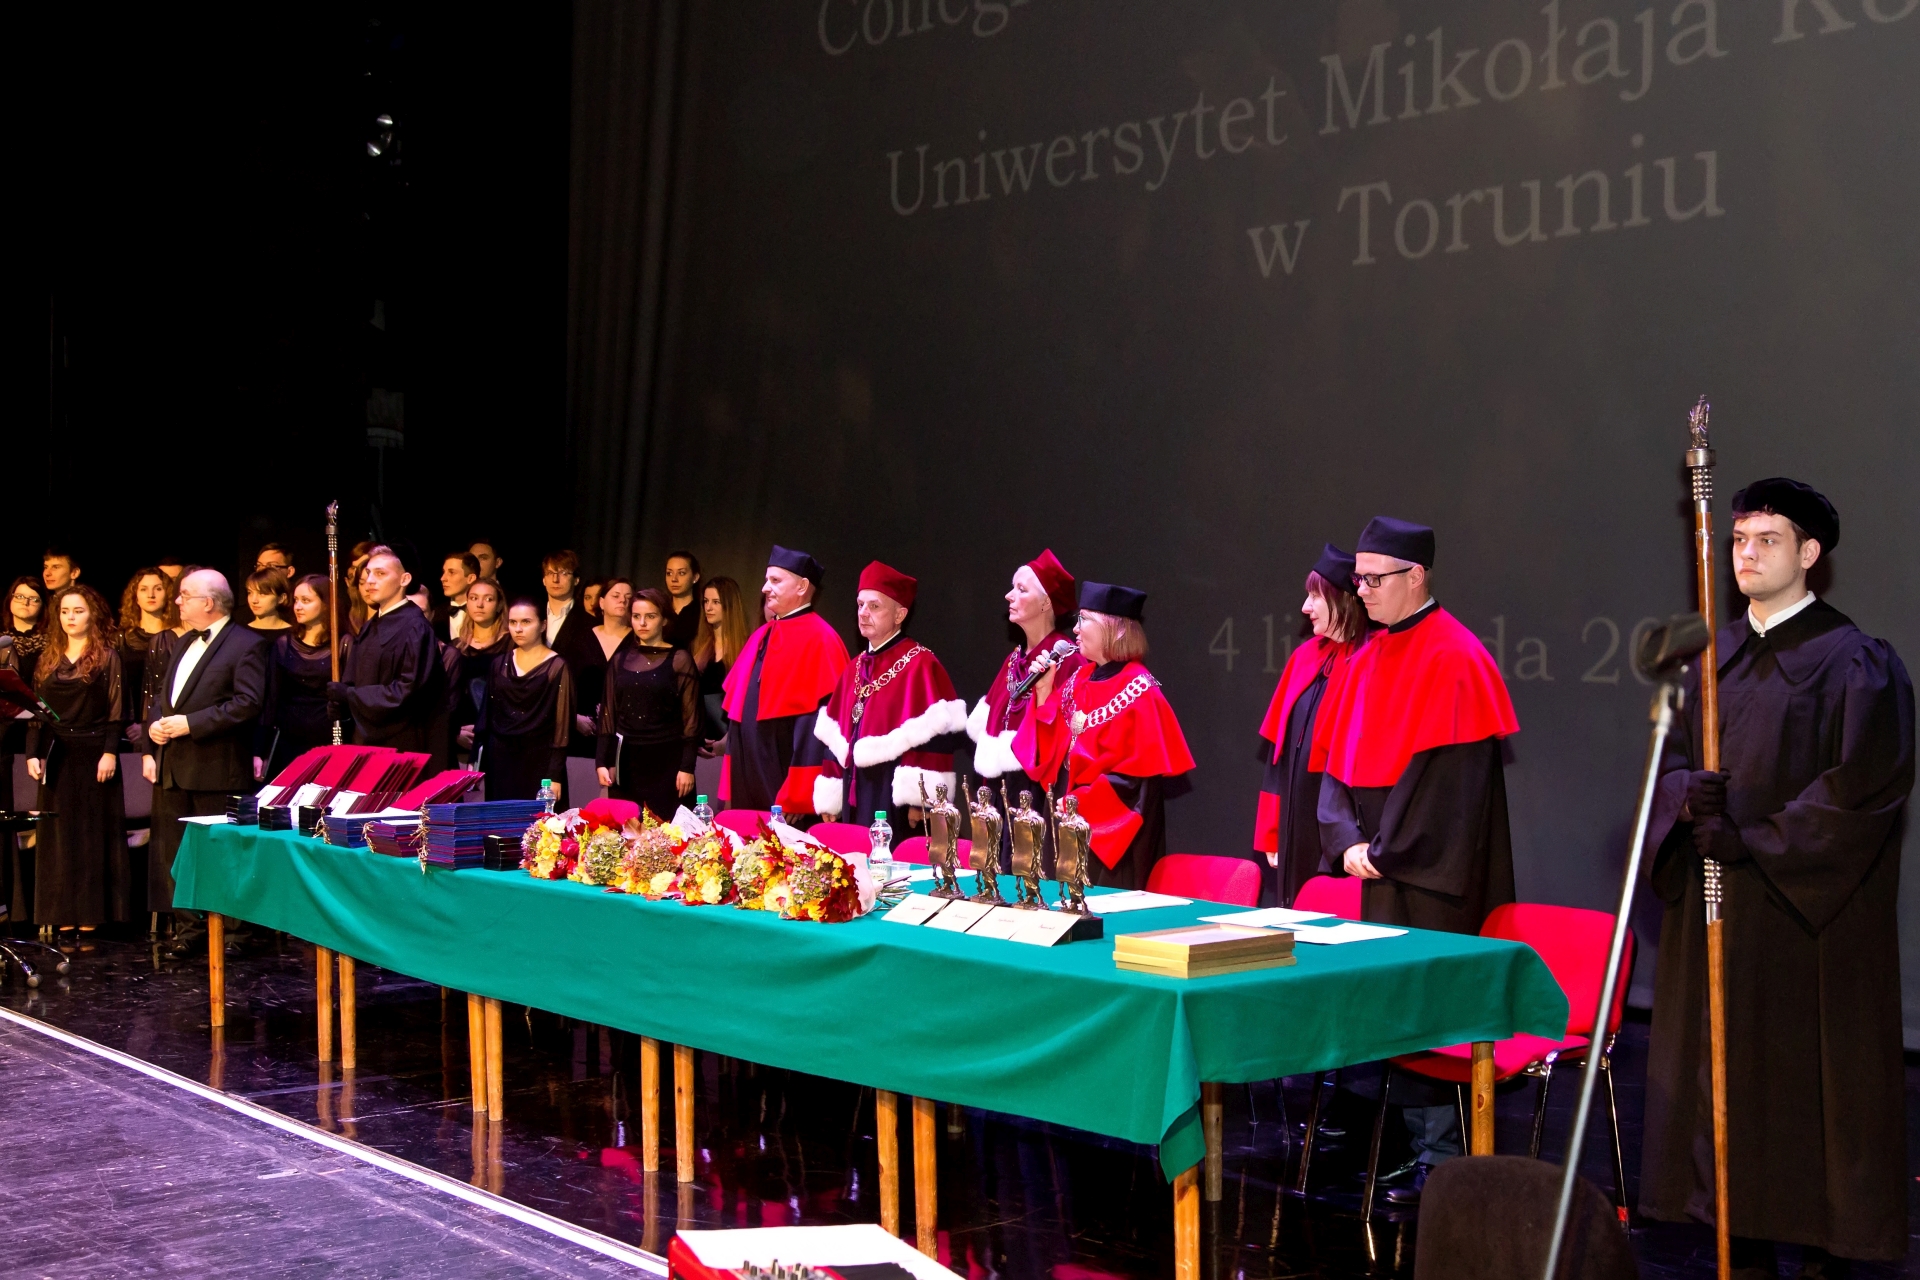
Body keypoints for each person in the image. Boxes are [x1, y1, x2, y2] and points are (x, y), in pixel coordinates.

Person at [1638, 479, 1912, 1275]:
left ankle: (1820, 1257)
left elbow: (1863, 787)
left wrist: (1754, 839)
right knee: (1725, 1090)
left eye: (1768, 540)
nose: (1747, 555)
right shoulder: (1711, 658)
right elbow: (1670, 763)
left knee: (1804, 1094)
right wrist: (1685, 799)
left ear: (1810, 553)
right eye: (1738, 540)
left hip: (1805, 925)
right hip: (1721, 914)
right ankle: (1741, 1246)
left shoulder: (1855, 662)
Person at [1313, 516, 1519, 1198]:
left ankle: (1442, 1155)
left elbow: (1447, 785)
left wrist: (1388, 849)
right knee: (1388, 1001)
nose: (1362, 592)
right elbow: (1334, 768)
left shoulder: (1457, 657)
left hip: (1432, 872)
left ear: (1417, 576)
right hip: (1378, 865)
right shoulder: (1364, 657)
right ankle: (1402, 1144)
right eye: (1359, 580)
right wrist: (1346, 842)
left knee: (1430, 1004)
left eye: (1375, 580)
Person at [1019, 580, 1194, 890]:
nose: (1075, 629)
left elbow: (1136, 785)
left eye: (1084, 619)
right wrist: (1044, 690)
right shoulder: (1079, 678)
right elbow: (1050, 753)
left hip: (1109, 837)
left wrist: (1082, 803)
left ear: (1116, 629)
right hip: (1065, 819)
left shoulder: (1140, 691)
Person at [143, 570, 268, 919]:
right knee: (176, 854)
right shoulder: (183, 641)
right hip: (174, 766)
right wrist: (155, 724)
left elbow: (247, 703)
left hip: (216, 769)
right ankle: (189, 930)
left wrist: (190, 724)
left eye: (185, 595)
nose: (177, 601)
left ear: (209, 602)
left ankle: (231, 932)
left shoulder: (247, 644)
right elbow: (164, 695)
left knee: (221, 855)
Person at [813, 562, 967, 831]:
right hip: (853, 790)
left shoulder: (921, 664)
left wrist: (921, 800)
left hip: (893, 794)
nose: (863, 613)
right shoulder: (854, 667)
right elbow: (835, 738)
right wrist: (831, 795)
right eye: (860, 604)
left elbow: (937, 739)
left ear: (900, 615)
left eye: (874, 606)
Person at [1253, 545, 1365, 907]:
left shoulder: (1369, 662)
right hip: (1295, 824)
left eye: (1316, 596)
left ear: (1344, 599)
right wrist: (1271, 830)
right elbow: (1278, 754)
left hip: (1343, 829)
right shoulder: (1304, 658)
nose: (1305, 607)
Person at [24, 585, 129, 934]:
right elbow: (37, 711)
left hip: (95, 752)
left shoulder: (107, 657)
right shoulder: (48, 657)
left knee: (90, 834)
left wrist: (110, 752)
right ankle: (61, 912)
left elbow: (116, 712)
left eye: (78, 611)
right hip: (57, 753)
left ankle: (91, 913)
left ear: (92, 615)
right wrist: (33, 753)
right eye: (65, 611)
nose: (70, 617)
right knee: (58, 835)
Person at [722, 547, 849, 816]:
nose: (765, 588)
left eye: (775, 580)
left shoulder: (822, 639)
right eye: (766, 580)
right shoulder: (761, 635)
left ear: (802, 587)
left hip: (783, 772)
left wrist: (801, 793)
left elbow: (820, 731)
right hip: (749, 769)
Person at [967, 549, 1087, 807]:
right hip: (1000, 789)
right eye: (1013, 588)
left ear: (1045, 603)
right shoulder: (1013, 660)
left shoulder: (1069, 660)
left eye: (1021, 589)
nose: (1009, 595)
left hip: (1037, 790)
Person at [328, 547, 444, 753]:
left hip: (402, 741)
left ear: (404, 579)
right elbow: (355, 679)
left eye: (380, 573)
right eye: (368, 574)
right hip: (366, 738)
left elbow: (408, 691)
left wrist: (351, 695)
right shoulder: (370, 626)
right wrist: (343, 705)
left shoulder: (415, 628)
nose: (370, 581)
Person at [597, 588, 700, 820]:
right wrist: (603, 760)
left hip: (667, 759)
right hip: (628, 761)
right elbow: (608, 712)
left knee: (670, 831)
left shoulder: (679, 659)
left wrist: (687, 766)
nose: (642, 623)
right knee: (627, 831)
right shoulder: (620, 659)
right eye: (636, 616)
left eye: (650, 616)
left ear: (664, 619)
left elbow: (691, 718)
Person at [476, 600, 574, 802]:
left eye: (526, 622)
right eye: (513, 622)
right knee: (501, 818)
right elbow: (487, 714)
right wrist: (476, 760)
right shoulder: (499, 664)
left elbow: (562, 726)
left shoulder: (557, 667)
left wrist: (554, 774)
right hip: (500, 759)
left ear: (543, 625)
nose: (518, 629)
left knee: (539, 820)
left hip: (539, 759)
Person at [256, 574, 339, 780]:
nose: (298, 607)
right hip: (289, 741)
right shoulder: (283, 644)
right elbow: (271, 699)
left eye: (306, 600)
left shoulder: (343, 644)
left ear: (326, 604)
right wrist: (260, 748)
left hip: (328, 739)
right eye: (296, 600)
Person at [116, 567, 181, 751]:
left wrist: (148, 726)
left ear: (168, 594)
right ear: (135, 596)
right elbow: (117, 688)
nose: (151, 594)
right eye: (144, 589)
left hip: (167, 728)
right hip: (128, 732)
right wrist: (131, 725)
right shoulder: (120, 639)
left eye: (158, 589)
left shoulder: (178, 637)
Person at [451, 579, 510, 760]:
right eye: (474, 598)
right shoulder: (455, 647)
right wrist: (454, 731)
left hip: (501, 736)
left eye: (488, 599)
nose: (480, 604)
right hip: (462, 736)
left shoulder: (512, 645)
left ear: (499, 605)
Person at [693, 576, 749, 747]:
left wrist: (728, 739)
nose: (708, 607)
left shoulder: (745, 649)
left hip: (730, 740)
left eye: (715, 602)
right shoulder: (699, 648)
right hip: (699, 738)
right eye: (706, 601)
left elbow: (745, 703)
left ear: (729, 605)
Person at [664, 551, 703, 649]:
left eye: (681, 573)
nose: (674, 579)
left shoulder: (702, 613)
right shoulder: (660, 610)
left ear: (695, 577)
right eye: (669, 573)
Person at [440, 552, 480, 642]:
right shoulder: (437, 615)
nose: (443, 578)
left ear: (470, 578)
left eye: (451, 572)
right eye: (444, 572)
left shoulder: (484, 612)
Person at [244, 567, 294, 632]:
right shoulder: (240, 632)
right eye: (250, 593)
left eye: (262, 594)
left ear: (281, 598)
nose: (254, 600)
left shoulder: (293, 634)